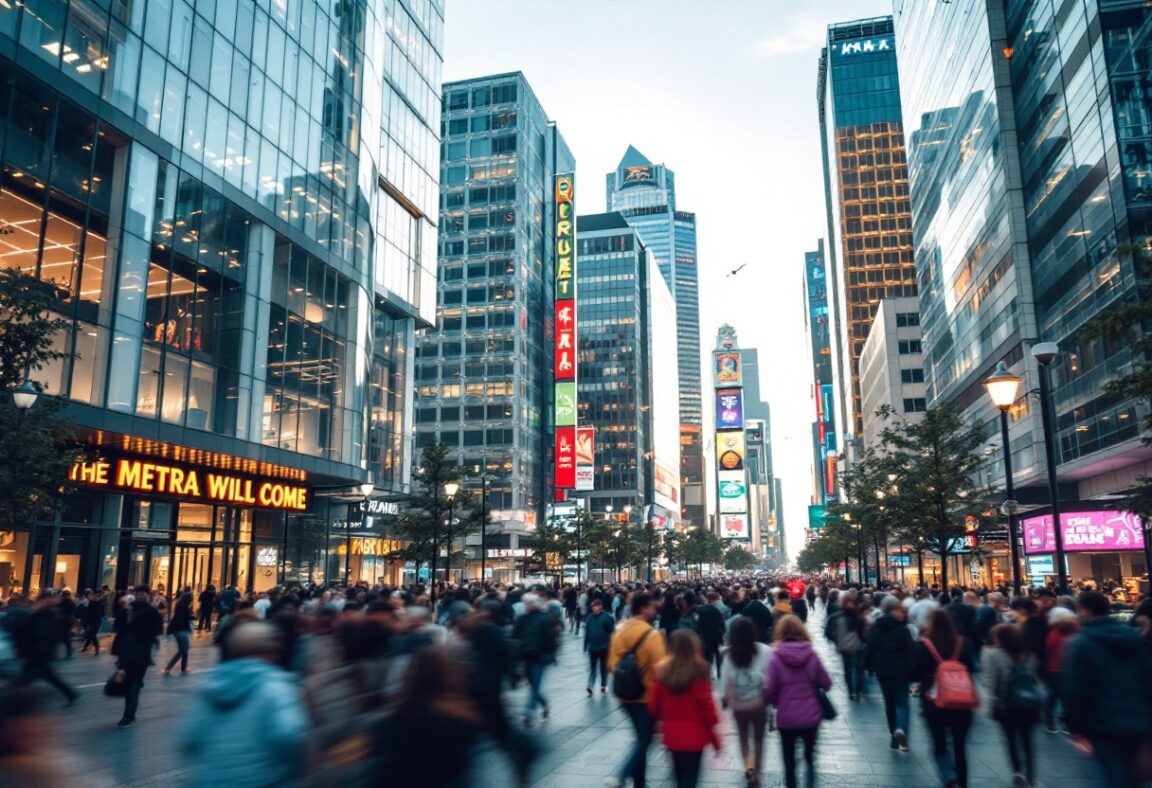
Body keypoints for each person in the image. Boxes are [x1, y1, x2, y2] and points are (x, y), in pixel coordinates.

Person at [179, 621, 308, 786]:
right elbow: (289, 736)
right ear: (264, 651)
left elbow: (190, 737)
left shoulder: (211, 682)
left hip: (210, 780)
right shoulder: (275, 686)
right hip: (259, 780)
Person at [1060, 590, 1152, 787]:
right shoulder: (1134, 637)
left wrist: (1076, 727)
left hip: (1104, 722)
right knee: (1132, 775)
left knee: (1115, 775)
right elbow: (1147, 678)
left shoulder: (1082, 643)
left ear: (1085, 611)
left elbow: (1076, 689)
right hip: (1139, 718)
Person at [606, 592, 667, 788]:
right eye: (653, 607)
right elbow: (661, 668)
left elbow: (611, 664)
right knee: (645, 740)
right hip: (646, 697)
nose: (655, 611)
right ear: (643, 608)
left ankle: (639, 783)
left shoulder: (619, 632)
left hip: (625, 695)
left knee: (641, 738)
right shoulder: (652, 635)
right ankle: (622, 775)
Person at [764, 614, 832, 788]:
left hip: (786, 716)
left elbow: (770, 690)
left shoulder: (776, 657)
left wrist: (773, 701)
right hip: (811, 715)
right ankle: (810, 780)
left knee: (789, 759)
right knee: (810, 755)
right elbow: (827, 683)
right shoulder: (812, 654)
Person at [649, 630, 722, 788]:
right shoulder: (700, 672)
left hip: (673, 737)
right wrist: (715, 740)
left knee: (679, 777)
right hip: (695, 738)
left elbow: (654, 706)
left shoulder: (662, 672)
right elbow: (708, 711)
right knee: (691, 778)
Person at [912, 609, 976, 788]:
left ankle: (949, 776)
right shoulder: (965, 643)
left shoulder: (923, 645)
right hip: (961, 700)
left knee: (939, 744)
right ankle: (963, 783)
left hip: (934, 700)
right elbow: (972, 667)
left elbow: (914, 672)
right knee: (960, 747)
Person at [983, 623, 1042, 787]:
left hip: (1006, 704)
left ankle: (1017, 771)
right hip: (1029, 703)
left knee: (1010, 739)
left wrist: (992, 704)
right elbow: (1034, 677)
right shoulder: (1029, 655)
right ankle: (1031, 774)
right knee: (1027, 740)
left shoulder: (993, 655)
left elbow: (991, 682)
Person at [721, 617, 773, 786]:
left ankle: (748, 766)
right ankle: (756, 772)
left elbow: (725, 680)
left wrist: (725, 700)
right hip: (759, 704)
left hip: (739, 704)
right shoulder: (765, 651)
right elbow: (770, 679)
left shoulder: (729, 654)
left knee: (743, 737)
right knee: (759, 739)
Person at [865, 594, 913, 751]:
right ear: (893, 610)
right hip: (901, 671)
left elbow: (869, 649)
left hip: (883, 671)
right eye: (899, 609)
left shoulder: (875, 628)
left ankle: (893, 735)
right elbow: (910, 652)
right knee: (903, 703)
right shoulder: (902, 630)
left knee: (889, 703)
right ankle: (901, 729)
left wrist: (869, 667)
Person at [115, 588, 164, 727]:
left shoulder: (131, 611)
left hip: (132, 652)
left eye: (143, 594)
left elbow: (119, 631)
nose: (141, 596)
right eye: (139, 594)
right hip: (136, 652)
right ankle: (129, 715)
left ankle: (128, 715)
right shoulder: (144, 612)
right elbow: (157, 632)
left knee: (132, 683)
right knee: (133, 683)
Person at [511, 593, 558, 726]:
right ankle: (544, 704)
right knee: (533, 686)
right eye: (526, 603)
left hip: (540, 657)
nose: (527, 605)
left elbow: (551, 639)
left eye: (529, 603)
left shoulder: (544, 619)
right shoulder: (523, 619)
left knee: (535, 685)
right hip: (526, 656)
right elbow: (514, 636)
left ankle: (528, 712)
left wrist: (550, 654)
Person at [826, 592, 864, 700]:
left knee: (848, 670)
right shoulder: (858, 616)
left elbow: (828, 632)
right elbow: (862, 633)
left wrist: (837, 640)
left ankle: (851, 691)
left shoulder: (837, 616)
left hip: (844, 647)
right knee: (857, 669)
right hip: (856, 646)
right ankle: (855, 690)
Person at [584, 598, 615, 696]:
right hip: (592, 648)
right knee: (593, 668)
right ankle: (591, 685)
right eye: (592, 606)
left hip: (604, 648)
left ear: (600, 606)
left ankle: (603, 686)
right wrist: (585, 645)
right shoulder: (589, 617)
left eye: (595, 606)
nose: (593, 608)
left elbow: (612, 631)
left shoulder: (606, 617)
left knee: (603, 668)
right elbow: (587, 632)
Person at [162, 590, 194, 674]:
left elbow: (177, 618)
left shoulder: (179, 606)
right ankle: (168, 668)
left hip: (177, 631)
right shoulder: (185, 608)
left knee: (184, 649)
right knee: (182, 650)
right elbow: (184, 619)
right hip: (182, 631)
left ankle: (184, 667)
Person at [697, 592, 726, 679]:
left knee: (708, 656)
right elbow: (722, 625)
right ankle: (719, 674)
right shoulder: (716, 610)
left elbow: (699, 624)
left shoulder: (701, 610)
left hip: (705, 637)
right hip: (716, 636)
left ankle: (709, 674)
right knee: (718, 656)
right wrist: (722, 633)